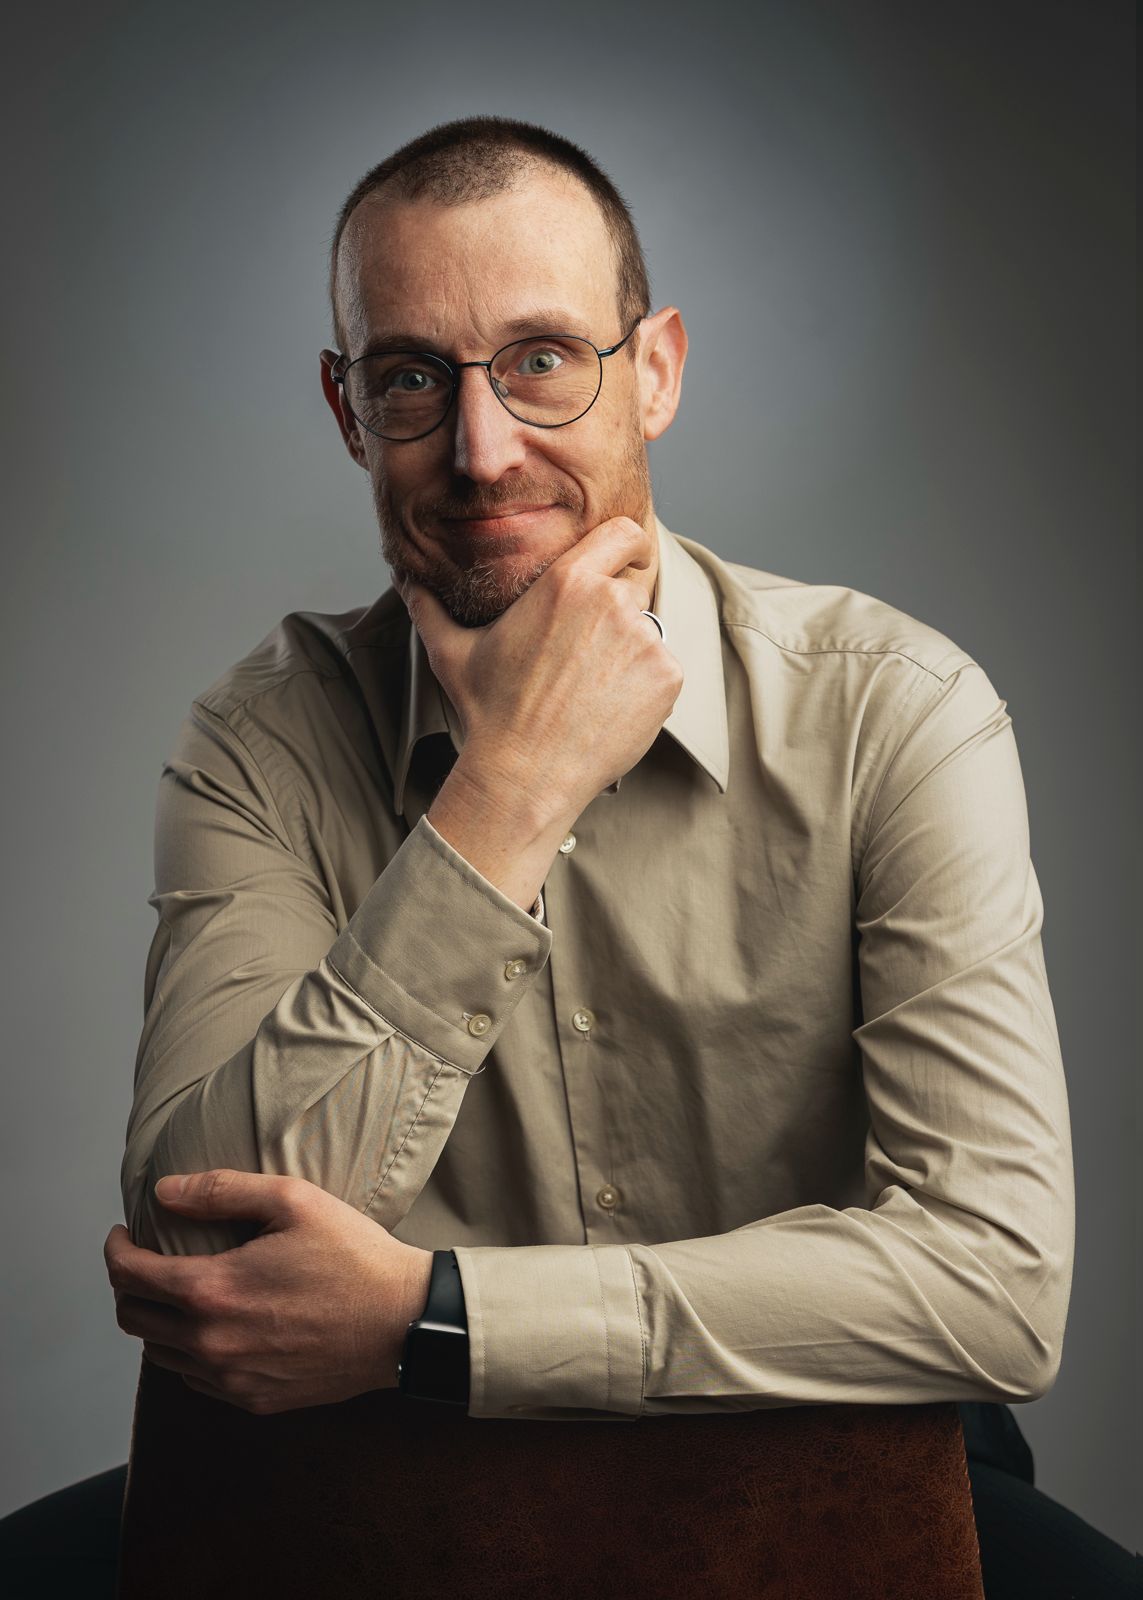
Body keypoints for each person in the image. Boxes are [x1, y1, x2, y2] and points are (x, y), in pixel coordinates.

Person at [2, 115, 1138, 1598]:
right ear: (349, 411)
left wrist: (436, 1318)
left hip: (842, 1464)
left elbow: (991, 1285)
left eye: (542, 360)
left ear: (654, 370)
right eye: (413, 377)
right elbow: (204, 1252)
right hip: (374, 1492)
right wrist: (511, 790)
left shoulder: (898, 713)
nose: (483, 451)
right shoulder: (260, 741)